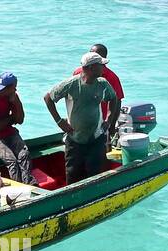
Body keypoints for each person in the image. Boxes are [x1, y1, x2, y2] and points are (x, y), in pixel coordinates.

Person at [44, 52, 119, 184]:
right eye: (101, 65)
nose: (104, 68)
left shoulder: (102, 83)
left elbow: (113, 98)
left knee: (95, 174)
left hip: (96, 137)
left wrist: (108, 120)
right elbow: (48, 98)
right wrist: (59, 121)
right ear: (91, 67)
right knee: (73, 175)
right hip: (75, 139)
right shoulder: (71, 84)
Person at [72, 43, 124, 124]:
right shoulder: (77, 73)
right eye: (90, 53)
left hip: (100, 124)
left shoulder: (112, 78)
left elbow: (117, 102)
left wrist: (111, 124)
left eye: (94, 54)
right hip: (79, 122)